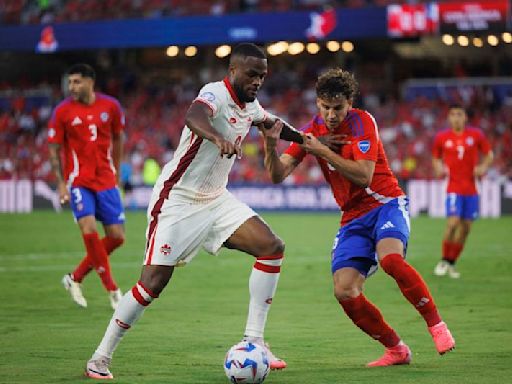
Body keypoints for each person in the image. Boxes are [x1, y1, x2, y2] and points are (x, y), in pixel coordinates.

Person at [85, 43, 303, 380]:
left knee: (272, 247)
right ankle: (100, 357)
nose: (257, 81)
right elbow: (194, 116)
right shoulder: (214, 93)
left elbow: (276, 125)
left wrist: (308, 141)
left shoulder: (252, 106)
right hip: (178, 200)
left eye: (262, 76)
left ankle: (255, 341)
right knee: (153, 283)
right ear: (232, 71)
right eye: (251, 74)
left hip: (216, 199)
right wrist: (217, 138)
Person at [260, 68, 455, 367]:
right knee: (344, 290)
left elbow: (363, 176)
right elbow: (277, 175)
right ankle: (396, 349)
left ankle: (436, 324)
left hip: (386, 203)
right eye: (325, 107)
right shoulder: (313, 130)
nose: (331, 114)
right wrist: (271, 144)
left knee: (391, 260)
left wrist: (322, 151)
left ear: (350, 102)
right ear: (317, 103)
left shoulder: (363, 122)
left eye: (337, 108)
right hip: (352, 218)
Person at [48, 63, 125, 310]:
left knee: (116, 237)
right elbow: (54, 149)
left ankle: (74, 278)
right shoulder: (62, 112)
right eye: (70, 82)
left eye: (77, 82)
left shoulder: (111, 106)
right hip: (79, 180)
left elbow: (118, 138)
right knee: (89, 228)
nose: (72, 87)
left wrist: (117, 171)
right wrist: (61, 184)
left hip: (106, 179)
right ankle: (113, 290)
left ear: (91, 82)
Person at [432, 104, 493, 278]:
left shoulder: (476, 135)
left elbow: (489, 154)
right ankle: (443, 260)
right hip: (453, 188)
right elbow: (435, 156)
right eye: (453, 114)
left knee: (465, 228)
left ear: (465, 117)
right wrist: (438, 168)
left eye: (459, 114)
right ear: (449, 118)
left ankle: (451, 263)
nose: (456, 117)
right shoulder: (442, 137)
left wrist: (483, 167)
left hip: (471, 190)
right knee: (453, 223)